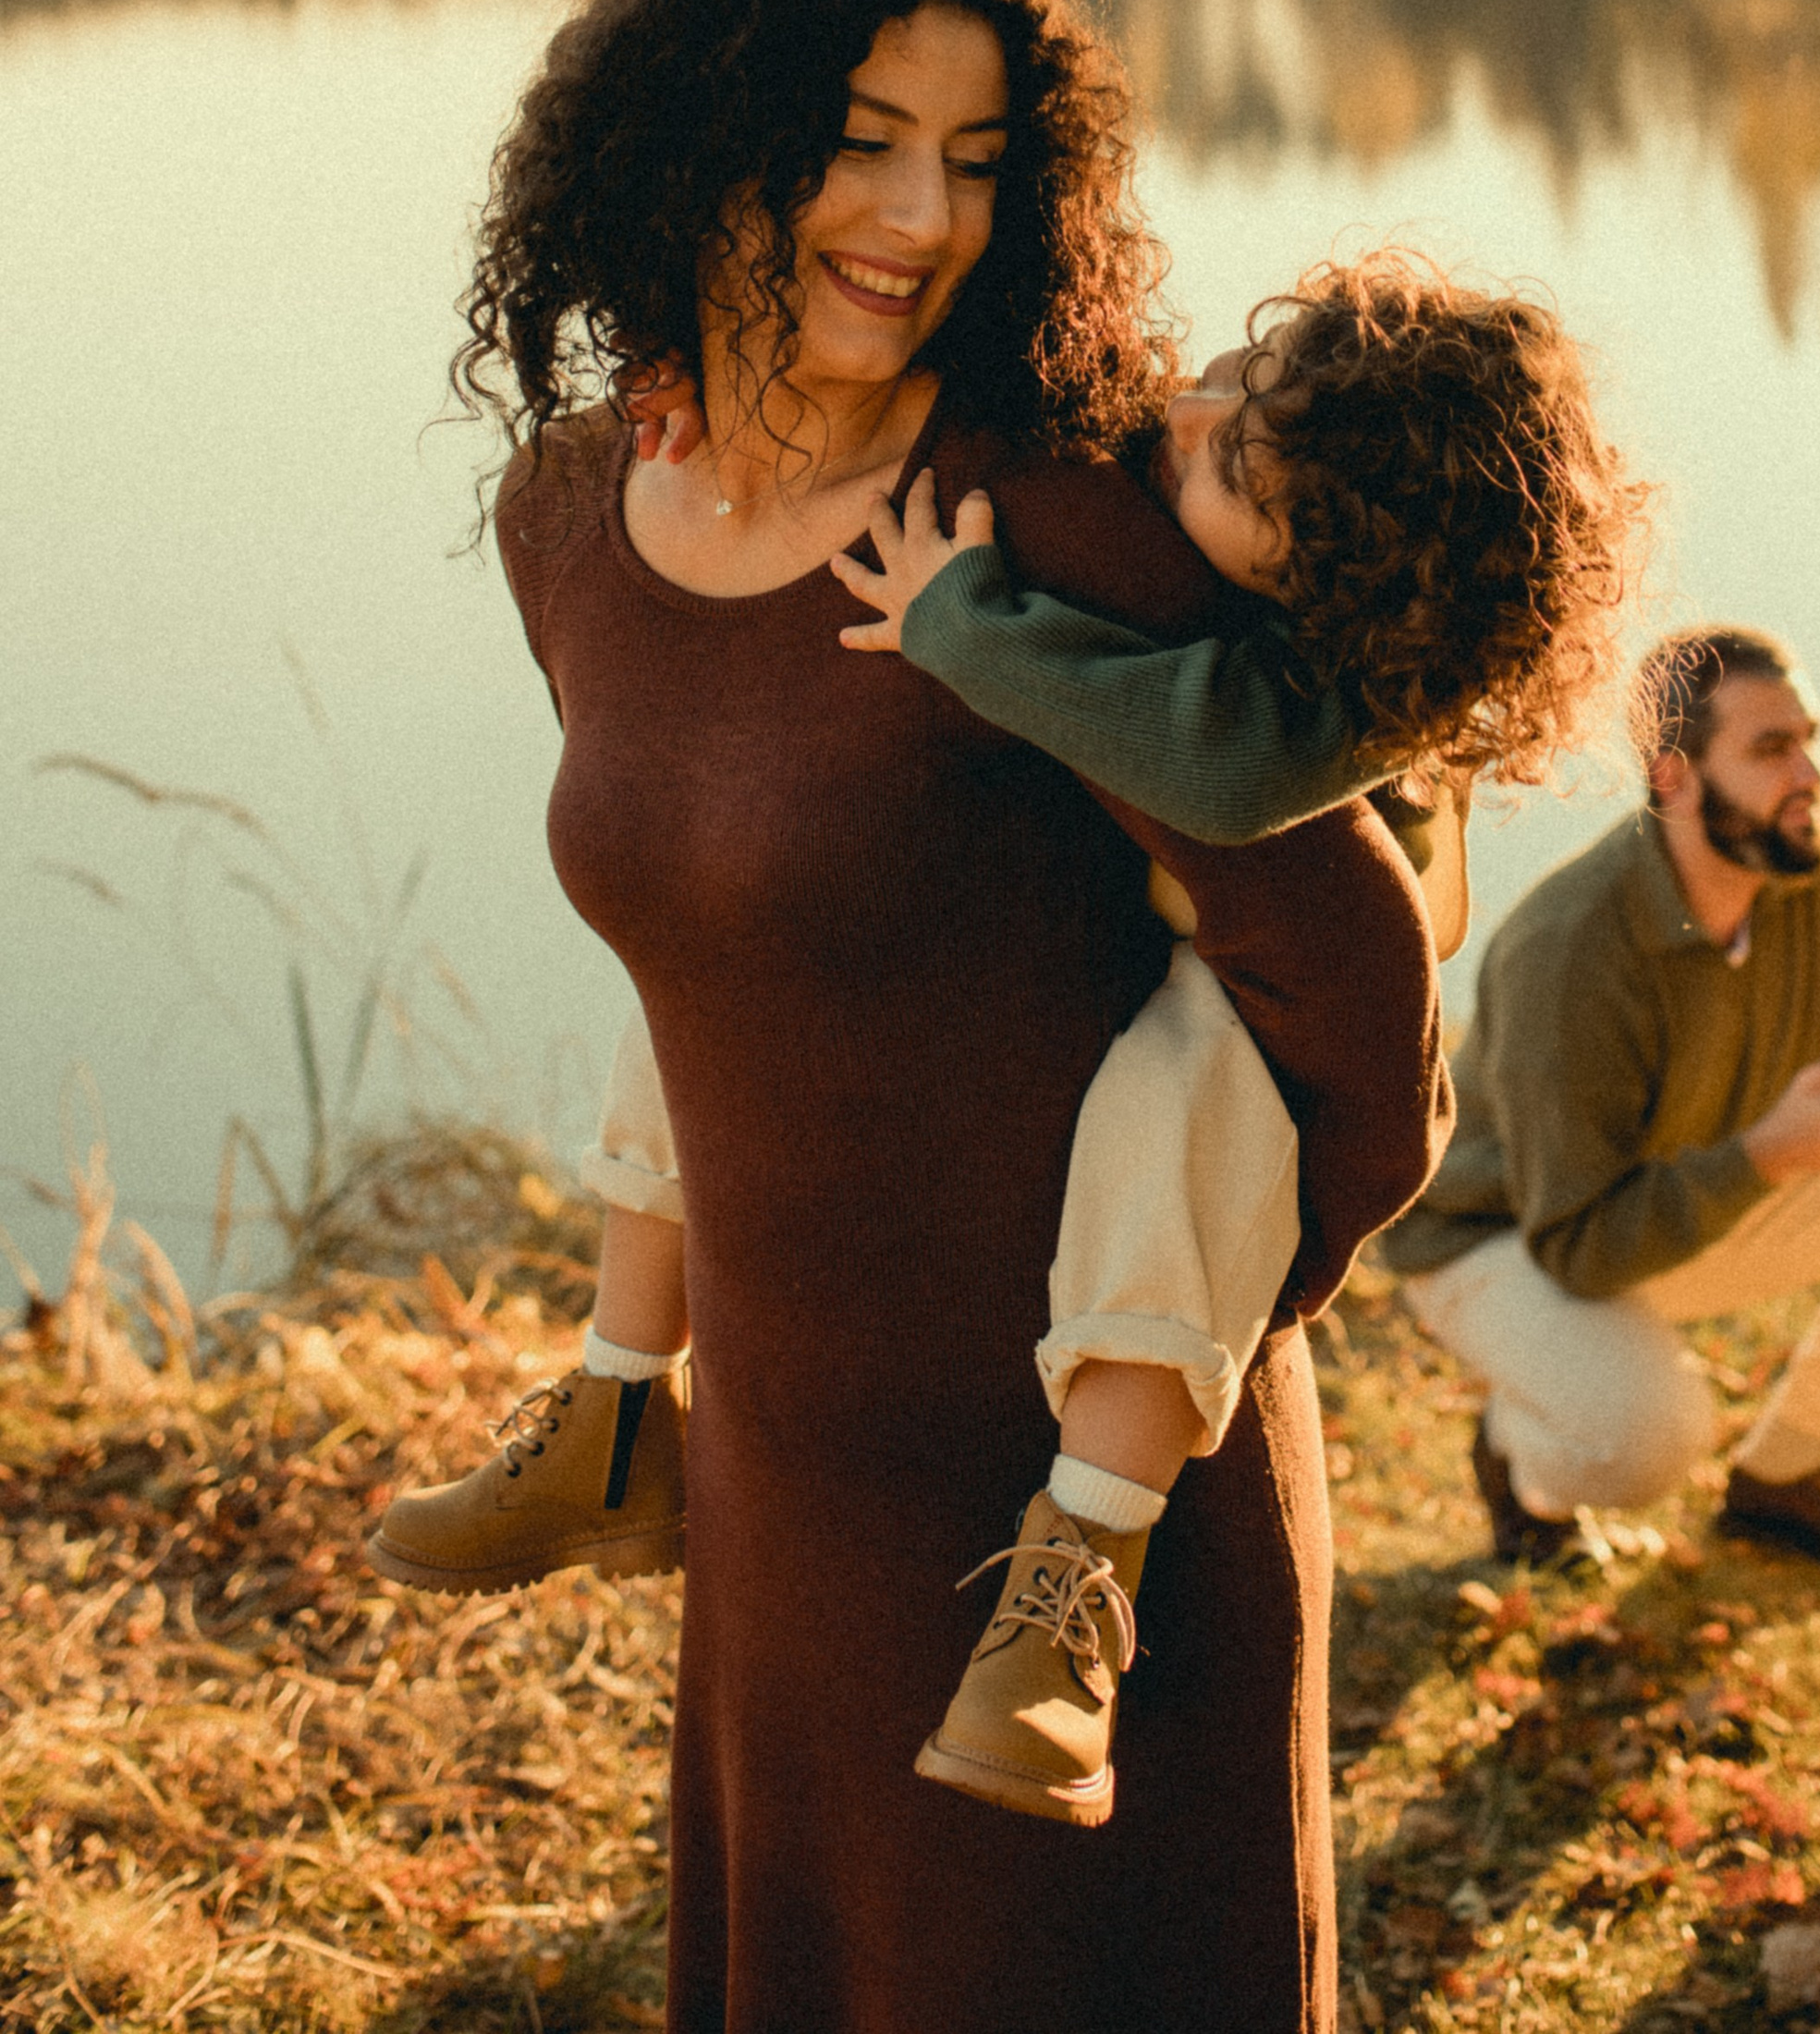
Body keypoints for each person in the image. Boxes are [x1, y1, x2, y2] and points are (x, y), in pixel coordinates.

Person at [379, 0, 1447, 2034]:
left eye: (974, 159)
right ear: (699, 135)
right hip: (777, 1489)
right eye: (859, 137)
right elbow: (714, 939)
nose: (921, 212)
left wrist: (1229, 1299)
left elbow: (1361, 991)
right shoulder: (576, 513)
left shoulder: (1046, 525)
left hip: (1072, 1528)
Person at [376, 253, 1644, 1844]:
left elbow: (1222, 775)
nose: (1185, 419)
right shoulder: (1198, 498)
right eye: (1228, 389)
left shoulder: (1350, 703)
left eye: (1233, 457)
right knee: (729, 968)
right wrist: (749, 367)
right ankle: (618, 1404)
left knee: (1188, 1119)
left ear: (1341, 565)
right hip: (1087, 937)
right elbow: (1081, 387)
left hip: (1223, 995)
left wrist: (963, 623)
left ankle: (1080, 1564)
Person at [1381, 626, 1820, 1587]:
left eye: (1808, 738)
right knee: (1644, 1443)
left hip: (1683, 1192)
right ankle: (1520, 1453)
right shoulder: (1569, 951)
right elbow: (1579, 1243)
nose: (1809, 773)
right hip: (1507, 1238)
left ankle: (1787, 1475)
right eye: (1770, 750)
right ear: (1673, 780)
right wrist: (1771, 1155)